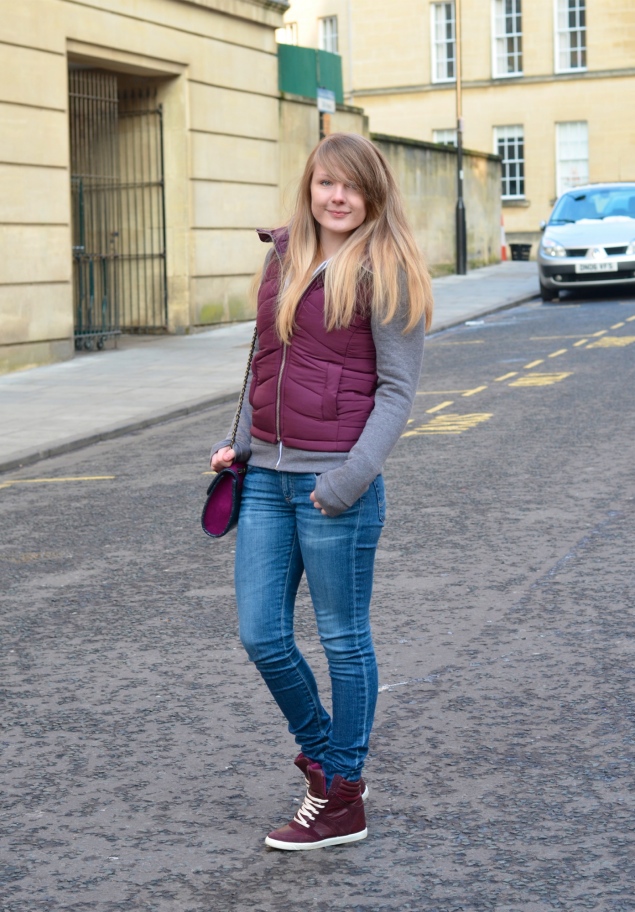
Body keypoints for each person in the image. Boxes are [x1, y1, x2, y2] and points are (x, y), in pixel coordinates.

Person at [210, 132, 433, 851]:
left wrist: (348, 479)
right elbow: (263, 366)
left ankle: (343, 798)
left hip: (333, 481)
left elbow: (397, 392)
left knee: (342, 639)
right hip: (266, 480)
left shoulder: (387, 267)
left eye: (350, 186)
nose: (335, 197)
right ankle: (323, 759)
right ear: (308, 187)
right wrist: (239, 443)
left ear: (371, 194)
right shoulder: (283, 256)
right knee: (261, 634)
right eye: (324, 184)